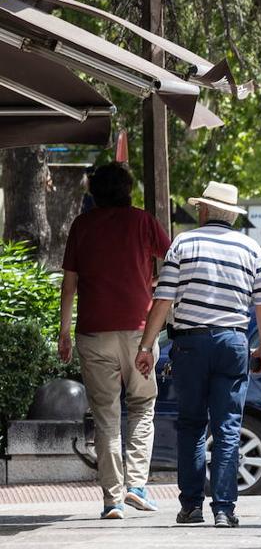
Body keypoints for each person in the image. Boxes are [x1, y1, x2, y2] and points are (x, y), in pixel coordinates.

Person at [134, 181, 261, 528]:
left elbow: (163, 299)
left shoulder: (184, 243)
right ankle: (225, 508)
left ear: (202, 210)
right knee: (228, 427)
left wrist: (146, 346)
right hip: (232, 342)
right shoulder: (251, 248)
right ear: (231, 214)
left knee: (192, 425)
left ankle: (192, 506)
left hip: (190, 345)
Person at [58, 163, 172, 520]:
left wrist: (63, 330)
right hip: (140, 331)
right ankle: (137, 485)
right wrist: (152, 289)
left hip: (93, 333)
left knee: (106, 415)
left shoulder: (82, 226)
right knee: (142, 405)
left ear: (94, 192)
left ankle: (113, 499)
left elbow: (69, 284)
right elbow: (173, 260)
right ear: (128, 190)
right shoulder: (142, 221)